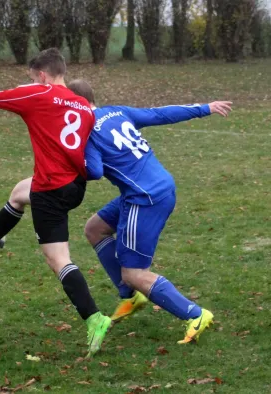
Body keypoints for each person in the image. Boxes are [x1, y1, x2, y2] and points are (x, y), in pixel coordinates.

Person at [0, 48, 112, 358]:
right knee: (18, 193)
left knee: (58, 260)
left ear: (41, 75)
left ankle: (95, 318)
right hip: (73, 186)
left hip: (51, 191)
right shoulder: (82, 104)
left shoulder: (39, 94)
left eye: (32, 77)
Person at [69, 79, 232, 344]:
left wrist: (73, 159)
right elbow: (159, 114)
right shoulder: (116, 112)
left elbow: (95, 171)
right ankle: (131, 295)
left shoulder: (87, 132)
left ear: (75, 103)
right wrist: (205, 107)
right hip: (160, 186)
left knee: (134, 272)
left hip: (144, 199)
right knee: (95, 228)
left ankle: (195, 314)